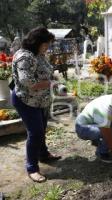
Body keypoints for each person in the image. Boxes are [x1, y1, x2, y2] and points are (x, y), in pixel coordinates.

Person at [11, 27, 61, 183]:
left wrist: (53, 78)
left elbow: (46, 71)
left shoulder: (38, 54)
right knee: (35, 132)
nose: (48, 47)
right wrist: (51, 83)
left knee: (41, 129)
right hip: (26, 101)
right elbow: (28, 83)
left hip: (40, 101)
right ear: (37, 42)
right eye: (46, 44)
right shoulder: (24, 57)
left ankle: (43, 154)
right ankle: (32, 168)